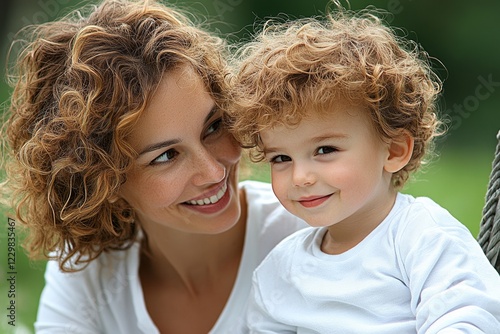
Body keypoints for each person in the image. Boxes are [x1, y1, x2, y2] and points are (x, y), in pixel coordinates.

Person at [0, 0, 308, 333]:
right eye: (165, 156)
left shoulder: (310, 235)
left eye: (214, 127)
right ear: (102, 183)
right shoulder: (89, 275)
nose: (214, 172)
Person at [228, 7, 500, 333]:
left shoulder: (421, 236)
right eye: (281, 159)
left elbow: (470, 318)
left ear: (395, 151)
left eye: (325, 150)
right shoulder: (280, 270)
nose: (300, 177)